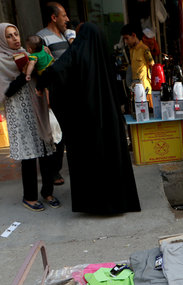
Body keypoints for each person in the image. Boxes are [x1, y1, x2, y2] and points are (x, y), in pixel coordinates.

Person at [37, 22, 141, 214]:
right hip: (109, 116)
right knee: (111, 156)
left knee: (91, 157)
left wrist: (40, 83)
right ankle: (117, 203)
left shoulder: (77, 52)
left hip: (85, 118)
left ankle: (96, 204)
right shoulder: (105, 55)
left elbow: (57, 71)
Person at [0, 23, 60, 212]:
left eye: (16, 34)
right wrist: (23, 74)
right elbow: (7, 91)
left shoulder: (29, 53)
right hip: (19, 112)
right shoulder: (0, 61)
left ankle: (48, 192)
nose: (15, 39)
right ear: (1, 40)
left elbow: (45, 75)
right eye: (9, 36)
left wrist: (44, 60)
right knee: (29, 156)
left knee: (47, 150)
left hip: (37, 106)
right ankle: (29, 197)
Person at [37, 2, 70, 186]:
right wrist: (47, 92)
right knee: (56, 134)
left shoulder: (66, 35)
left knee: (65, 133)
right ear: (54, 17)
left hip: (68, 92)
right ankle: (53, 172)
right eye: (63, 15)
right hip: (54, 93)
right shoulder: (42, 38)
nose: (67, 19)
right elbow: (42, 67)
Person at [121, 23, 154, 102]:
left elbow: (152, 65)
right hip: (135, 90)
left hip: (146, 90)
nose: (126, 42)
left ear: (133, 35)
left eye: (127, 38)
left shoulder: (144, 49)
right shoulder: (131, 50)